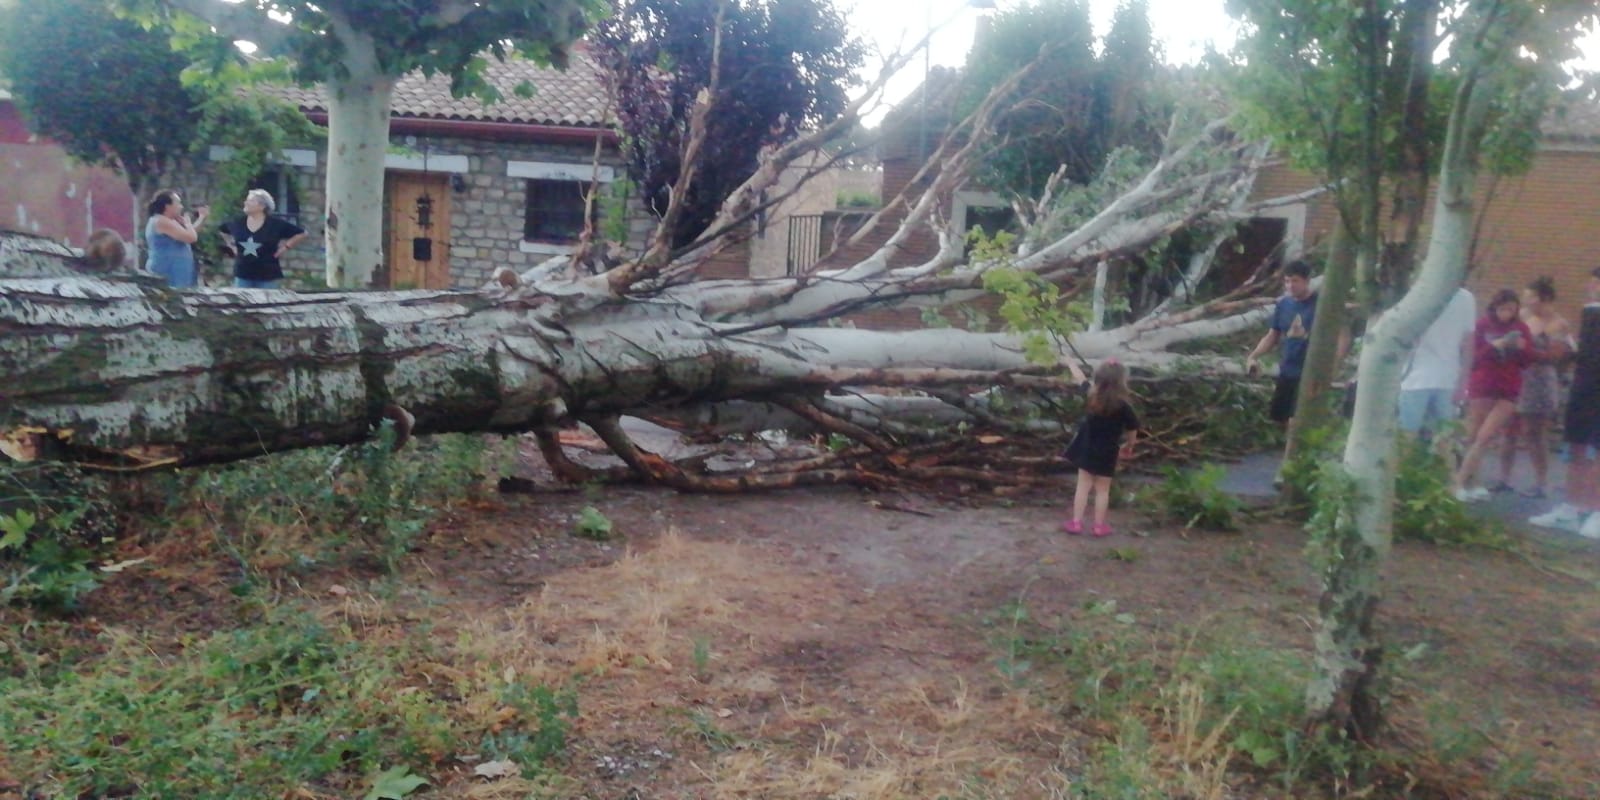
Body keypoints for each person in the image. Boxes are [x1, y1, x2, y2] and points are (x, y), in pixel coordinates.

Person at [1530, 267, 1600, 538]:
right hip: (1584, 387)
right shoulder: (1590, 312)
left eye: (1595, 283)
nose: (1591, 288)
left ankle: (1595, 510)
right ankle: (1572, 508)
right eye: (1592, 283)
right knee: (1577, 445)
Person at [1452, 289, 1533, 502]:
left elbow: (1527, 361)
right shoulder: (1482, 325)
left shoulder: (1521, 328)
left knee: (1485, 436)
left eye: (1512, 310)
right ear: (1495, 307)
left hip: (1508, 388)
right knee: (1472, 435)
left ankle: (1458, 481)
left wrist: (1521, 349)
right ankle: (1475, 481)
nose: (1507, 314)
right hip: (1483, 385)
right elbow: (1473, 358)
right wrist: (1493, 346)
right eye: (1503, 309)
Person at [1493, 277, 1571, 498]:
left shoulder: (1558, 324)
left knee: (1534, 433)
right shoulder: (1523, 318)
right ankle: (1503, 478)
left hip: (1539, 381)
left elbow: (1555, 356)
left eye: (1530, 297)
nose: (1526, 301)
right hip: (1517, 377)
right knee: (1508, 429)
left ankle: (1542, 482)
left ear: (1543, 298)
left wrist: (1526, 350)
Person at [1245, 260, 1347, 426]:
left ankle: (1295, 450)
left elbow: (1342, 335)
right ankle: (1285, 450)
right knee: (1280, 418)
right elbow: (1273, 335)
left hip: (1311, 372)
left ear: (1307, 281)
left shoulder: (1322, 305)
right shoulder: (1283, 304)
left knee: (1300, 420)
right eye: (1287, 281)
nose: (1290, 285)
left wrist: (1334, 365)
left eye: (1295, 281)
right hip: (1288, 369)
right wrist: (1254, 356)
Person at [1062, 359, 1141, 538]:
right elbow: (1132, 429)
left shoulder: (1092, 396)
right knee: (1103, 490)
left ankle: (1076, 522)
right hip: (1108, 451)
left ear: (1097, 378)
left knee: (1082, 487)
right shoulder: (1124, 406)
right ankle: (1098, 526)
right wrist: (1129, 446)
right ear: (1122, 381)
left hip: (1086, 448)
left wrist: (1070, 363)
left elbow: (1080, 378)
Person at [1397, 287, 1477, 438]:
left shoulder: (1417, 293)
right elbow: (1469, 343)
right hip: (1448, 377)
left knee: (1406, 437)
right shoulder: (1466, 298)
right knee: (1444, 438)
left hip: (1414, 378)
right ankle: (1445, 461)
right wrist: (1463, 381)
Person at [220, 189, 306, 289]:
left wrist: (285, 247)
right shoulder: (237, 222)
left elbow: (302, 233)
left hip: (268, 276)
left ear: (262, 206)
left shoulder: (275, 224)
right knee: (243, 303)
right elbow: (222, 230)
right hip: (243, 274)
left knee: (267, 304)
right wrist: (231, 245)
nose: (246, 203)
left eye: (251, 201)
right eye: (247, 200)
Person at [144, 189, 206, 287]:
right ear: (167, 206)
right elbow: (191, 238)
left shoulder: (169, 221)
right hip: (167, 270)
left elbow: (187, 234)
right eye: (178, 203)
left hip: (178, 271)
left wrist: (201, 218)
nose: (181, 207)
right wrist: (187, 223)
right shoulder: (162, 221)